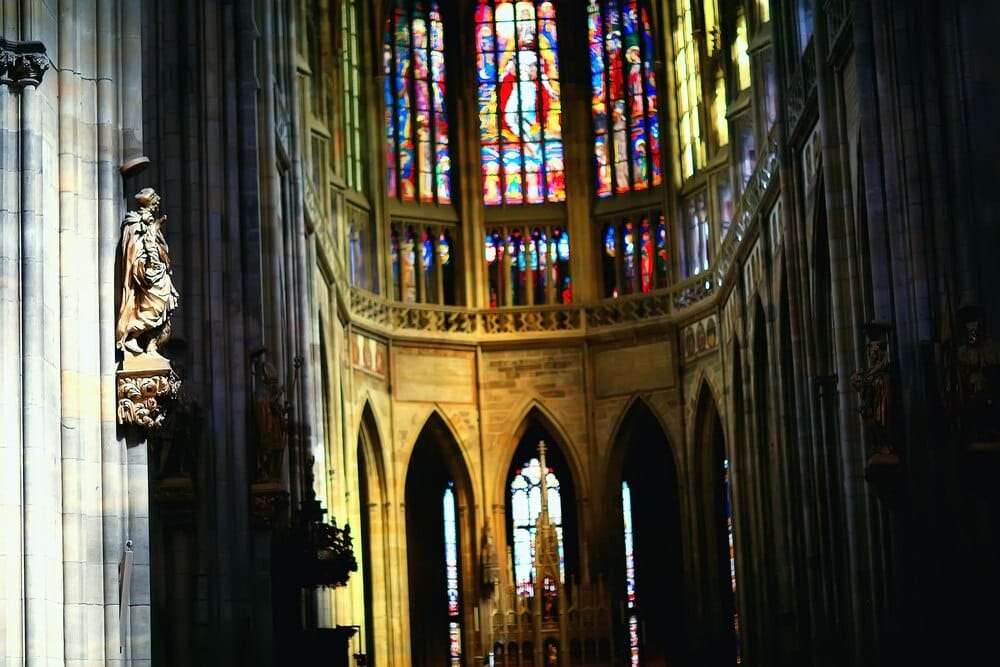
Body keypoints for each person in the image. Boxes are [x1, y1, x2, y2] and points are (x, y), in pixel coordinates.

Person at [115, 188, 179, 358]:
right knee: (152, 306)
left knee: (163, 306)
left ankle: (151, 345)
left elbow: (160, 249)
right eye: (155, 200)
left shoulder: (151, 223)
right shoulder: (135, 222)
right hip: (145, 273)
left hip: (159, 273)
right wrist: (152, 230)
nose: (157, 203)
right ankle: (132, 334)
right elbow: (133, 248)